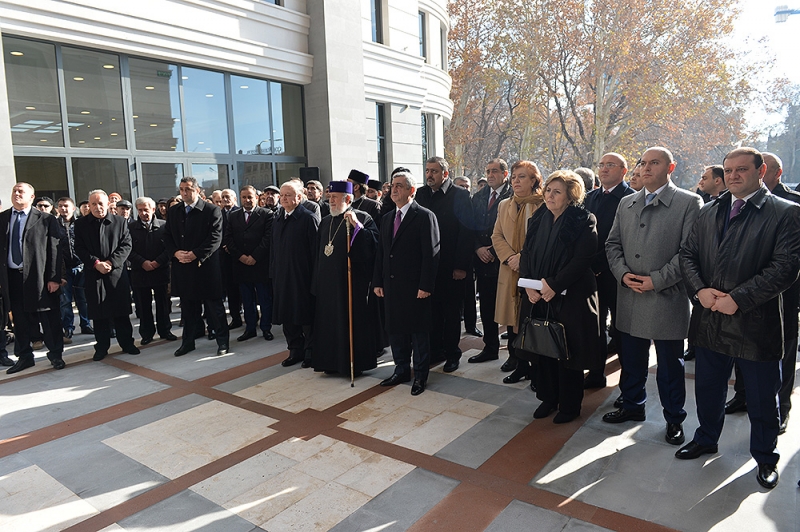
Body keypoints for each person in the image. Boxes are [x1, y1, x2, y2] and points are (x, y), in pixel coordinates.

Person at [677, 147, 800, 491]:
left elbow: (785, 268)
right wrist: (699, 290)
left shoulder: (785, 213)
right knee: (708, 388)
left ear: (760, 172)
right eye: (729, 170)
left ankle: (765, 457)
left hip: (755, 321)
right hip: (710, 317)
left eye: (741, 169)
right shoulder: (709, 210)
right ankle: (706, 438)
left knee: (762, 398)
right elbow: (687, 254)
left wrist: (738, 299)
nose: (733, 175)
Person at [603, 147, 703, 447]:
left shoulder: (689, 202)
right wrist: (623, 274)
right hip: (630, 295)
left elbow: (688, 252)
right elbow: (612, 244)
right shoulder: (627, 202)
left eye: (654, 163)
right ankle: (633, 405)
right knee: (632, 360)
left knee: (670, 366)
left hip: (666, 297)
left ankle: (674, 418)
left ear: (670, 167)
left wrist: (656, 280)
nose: (646, 168)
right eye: (643, 163)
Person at [724, 152, 799, 436]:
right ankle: (742, 396)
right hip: (740, 295)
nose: (738, 176)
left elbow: (788, 263)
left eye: (745, 169)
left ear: (769, 171)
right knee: (741, 349)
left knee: (780, 356)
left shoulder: (791, 204)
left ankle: (781, 408)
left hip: (780, 296)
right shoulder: (733, 203)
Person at [519, 171, 601, 423]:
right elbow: (526, 253)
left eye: (557, 192)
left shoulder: (583, 219)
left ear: (570, 196)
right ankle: (548, 398)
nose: (550, 196)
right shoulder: (538, 217)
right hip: (538, 294)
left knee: (567, 350)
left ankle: (569, 405)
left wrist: (554, 285)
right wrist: (528, 285)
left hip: (570, 296)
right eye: (548, 190)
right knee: (542, 347)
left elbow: (582, 259)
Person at [373, 170, 440, 395]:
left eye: (399, 186)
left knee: (418, 334)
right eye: (393, 186)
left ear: (411, 190)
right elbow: (382, 253)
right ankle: (401, 369)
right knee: (396, 332)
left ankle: (420, 376)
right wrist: (378, 281)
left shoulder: (424, 216)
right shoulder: (387, 218)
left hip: (415, 287)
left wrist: (426, 286)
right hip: (392, 286)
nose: (394, 190)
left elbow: (431, 254)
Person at [311, 181, 379, 376]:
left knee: (350, 322)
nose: (330, 201)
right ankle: (330, 363)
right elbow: (319, 254)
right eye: (329, 197)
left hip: (350, 283)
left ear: (348, 199)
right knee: (328, 323)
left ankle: (353, 363)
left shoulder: (362, 217)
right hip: (327, 284)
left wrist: (357, 227)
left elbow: (373, 246)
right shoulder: (325, 221)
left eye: (335, 197)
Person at [416, 156, 474, 372]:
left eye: (434, 171)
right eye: (427, 171)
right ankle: (435, 351)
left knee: (451, 313)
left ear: (445, 174)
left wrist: (461, 266)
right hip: (428, 267)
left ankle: (452, 354)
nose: (429, 175)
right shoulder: (421, 194)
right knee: (431, 312)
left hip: (451, 265)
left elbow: (467, 232)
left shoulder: (460, 195)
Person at [0, 183, 65, 374]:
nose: (16, 194)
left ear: (32, 196)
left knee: (48, 318)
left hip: (40, 277)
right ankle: (25, 357)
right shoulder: (3, 218)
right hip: (12, 277)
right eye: (14, 191)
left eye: (21, 191)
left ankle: (55, 354)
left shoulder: (45, 219)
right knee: (19, 319)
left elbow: (55, 250)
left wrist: (54, 278)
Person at [491, 160, 545, 384]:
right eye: (513, 177)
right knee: (512, 319)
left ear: (534, 180)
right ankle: (518, 362)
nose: (516, 181)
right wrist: (510, 258)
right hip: (509, 269)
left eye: (522, 177)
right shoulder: (504, 204)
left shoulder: (544, 204)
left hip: (533, 271)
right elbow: (496, 235)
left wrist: (522, 258)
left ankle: (536, 368)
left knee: (530, 318)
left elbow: (542, 239)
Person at [583, 153, 634, 388]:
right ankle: (595, 373)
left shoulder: (631, 199)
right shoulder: (589, 197)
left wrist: (602, 266)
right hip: (589, 274)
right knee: (594, 327)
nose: (604, 169)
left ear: (624, 171)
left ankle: (627, 385)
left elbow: (627, 240)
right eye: (601, 165)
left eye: (610, 165)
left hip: (617, 274)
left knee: (621, 331)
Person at [165, 177, 230, 357]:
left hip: (206, 267)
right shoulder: (175, 211)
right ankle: (188, 342)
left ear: (197, 190)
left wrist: (195, 254)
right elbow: (167, 236)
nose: (184, 193)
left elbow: (215, 238)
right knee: (188, 309)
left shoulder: (211, 210)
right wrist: (176, 253)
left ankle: (222, 341)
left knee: (214, 309)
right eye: (181, 189)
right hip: (183, 267)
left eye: (188, 189)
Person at [74, 190, 140, 361]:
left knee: (121, 312)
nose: (97, 207)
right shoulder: (81, 224)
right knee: (99, 313)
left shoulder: (119, 222)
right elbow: (79, 247)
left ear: (108, 204)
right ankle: (102, 347)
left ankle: (127, 343)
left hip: (116, 273)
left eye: (101, 203)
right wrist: (96, 263)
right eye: (93, 204)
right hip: (94, 273)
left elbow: (126, 245)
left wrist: (111, 262)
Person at [469, 158, 513, 365]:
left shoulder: (513, 195)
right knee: (486, 307)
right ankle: (490, 347)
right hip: (482, 261)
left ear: (505, 174)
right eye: (488, 171)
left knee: (510, 308)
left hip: (504, 261)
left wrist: (495, 251)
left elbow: (512, 230)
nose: (490, 175)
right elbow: (469, 225)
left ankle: (515, 354)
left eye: (494, 171)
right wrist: (477, 248)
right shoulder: (479, 196)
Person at [271, 180, 319, 367]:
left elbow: (315, 253)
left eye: (288, 195)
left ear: (299, 197)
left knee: (305, 316)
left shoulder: (308, 218)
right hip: (282, 277)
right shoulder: (277, 219)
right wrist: (273, 273)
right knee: (287, 315)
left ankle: (311, 351)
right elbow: (273, 250)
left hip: (302, 277)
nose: (283, 198)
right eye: (282, 195)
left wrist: (314, 280)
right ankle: (295, 349)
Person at [223, 185, 274, 342]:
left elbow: (268, 238)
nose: (247, 200)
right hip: (241, 265)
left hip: (260, 264)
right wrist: (241, 257)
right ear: (240, 198)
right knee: (247, 299)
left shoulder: (266, 214)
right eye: (244, 197)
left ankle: (266, 328)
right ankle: (250, 328)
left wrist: (254, 256)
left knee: (264, 299)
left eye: (250, 197)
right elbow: (228, 238)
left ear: (256, 198)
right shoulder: (233, 216)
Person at [128, 197, 176, 345]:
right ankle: (147, 333)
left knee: (163, 303)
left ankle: (165, 330)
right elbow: (127, 249)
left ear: (153, 209)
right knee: (143, 305)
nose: (143, 213)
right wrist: (142, 262)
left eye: (146, 210)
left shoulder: (164, 226)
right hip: (140, 271)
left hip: (160, 270)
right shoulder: (130, 227)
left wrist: (158, 262)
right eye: (140, 210)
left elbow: (170, 247)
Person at [56, 197, 92, 340]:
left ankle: (86, 323)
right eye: (60, 206)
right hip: (63, 268)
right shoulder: (54, 225)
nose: (63, 209)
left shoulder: (80, 224)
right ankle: (68, 327)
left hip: (80, 266)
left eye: (66, 206)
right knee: (65, 300)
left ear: (73, 208)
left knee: (83, 298)